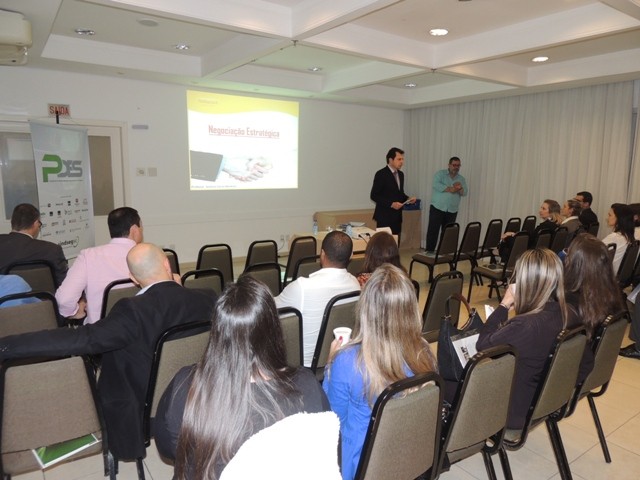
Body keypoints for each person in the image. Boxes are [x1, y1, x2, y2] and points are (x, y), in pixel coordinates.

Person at [0, 243, 216, 461]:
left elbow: (79, 339)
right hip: (198, 398)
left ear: (133, 278)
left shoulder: (132, 310)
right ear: (167, 265)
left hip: (142, 412)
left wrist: (6, 345)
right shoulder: (208, 298)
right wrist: (182, 290)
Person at [154, 276, 330, 480]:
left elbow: (169, 448)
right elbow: (326, 456)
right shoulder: (306, 384)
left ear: (218, 331)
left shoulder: (184, 385)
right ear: (274, 329)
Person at [323, 264, 437, 480]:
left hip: (360, 467)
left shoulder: (347, 361)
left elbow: (332, 420)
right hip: (411, 458)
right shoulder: (424, 353)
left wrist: (330, 364)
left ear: (365, 310)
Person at [476, 248, 569, 430]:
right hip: (541, 400)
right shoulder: (562, 312)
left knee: (450, 385)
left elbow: (483, 346)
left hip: (515, 411)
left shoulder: (526, 325)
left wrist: (504, 305)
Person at [275, 230, 360, 367]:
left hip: (304, 366)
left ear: (322, 254)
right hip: (339, 360)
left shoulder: (302, 287)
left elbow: (270, 308)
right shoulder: (355, 284)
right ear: (350, 256)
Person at [55, 206, 144, 324]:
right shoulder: (150, 257)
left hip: (102, 331)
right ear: (135, 230)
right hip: (142, 329)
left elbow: (64, 300)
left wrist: (73, 312)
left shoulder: (88, 256)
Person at [564, 233, 626, 374]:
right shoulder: (612, 295)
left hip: (570, 370)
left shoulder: (569, 303)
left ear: (574, 263)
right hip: (593, 366)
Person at [0, 203, 68, 285]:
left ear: (12, 222)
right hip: (43, 293)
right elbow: (65, 284)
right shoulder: (52, 250)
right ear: (36, 223)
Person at [370, 147, 416, 236]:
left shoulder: (401, 174)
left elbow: (400, 193)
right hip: (384, 217)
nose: (402, 162)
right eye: (399, 159)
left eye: (402, 159)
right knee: (384, 243)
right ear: (390, 160)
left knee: (396, 242)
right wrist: (391, 204)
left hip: (397, 217)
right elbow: (374, 195)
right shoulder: (381, 174)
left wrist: (408, 199)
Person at [425, 156, 468, 252]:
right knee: (433, 231)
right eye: (454, 165)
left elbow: (465, 193)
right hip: (437, 207)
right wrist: (450, 189)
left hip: (452, 210)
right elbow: (436, 184)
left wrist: (460, 188)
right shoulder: (440, 174)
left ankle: (442, 253)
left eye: (458, 165)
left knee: (447, 233)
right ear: (449, 165)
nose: (456, 167)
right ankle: (429, 252)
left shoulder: (461, 179)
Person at [601, 203, 634, 273]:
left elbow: (595, 252)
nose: (607, 218)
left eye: (610, 215)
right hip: (618, 274)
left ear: (619, 218)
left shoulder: (615, 237)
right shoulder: (628, 236)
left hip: (608, 275)